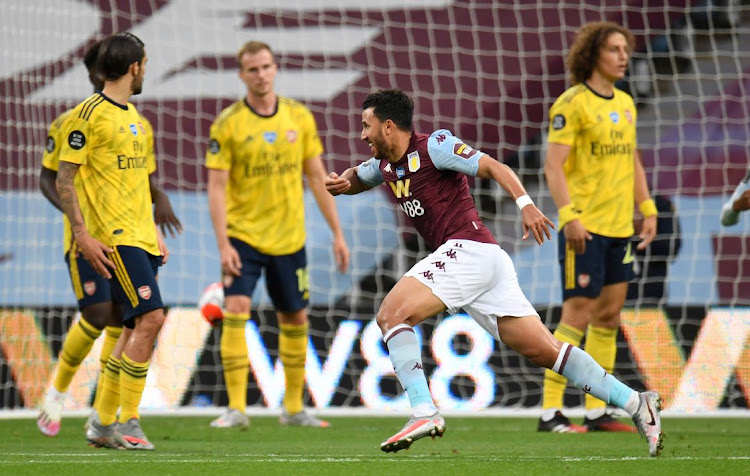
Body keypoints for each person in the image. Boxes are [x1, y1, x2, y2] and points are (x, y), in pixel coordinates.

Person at [325, 88, 664, 457]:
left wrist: (526, 205)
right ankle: (635, 403)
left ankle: (423, 411)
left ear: (388, 127)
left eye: (366, 126)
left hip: (469, 250)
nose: (362, 135)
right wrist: (342, 183)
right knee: (544, 350)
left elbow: (494, 167)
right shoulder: (387, 165)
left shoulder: (435, 146)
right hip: (484, 263)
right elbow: (358, 176)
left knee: (391, 314)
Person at [36, 39, 182, 440]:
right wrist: (80, 232)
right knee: (139, 317)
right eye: (146, 65)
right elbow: (60, 178)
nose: (146, 71)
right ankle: (122, 419)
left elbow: (139, 184)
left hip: (140, 237)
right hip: (109, 238)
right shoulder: (83, 117)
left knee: (125, 326)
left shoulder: (139, 120)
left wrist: (154, 230)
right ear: (135, 68)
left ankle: (102, 420)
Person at [205, 41, 350, 429]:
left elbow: (317, 178)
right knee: (235, 308)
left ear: (275, 68)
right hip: (244, 237)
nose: (261, 74)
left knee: (294, 316)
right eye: (253, 69)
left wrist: (337, 232)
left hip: (289, 238)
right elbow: (216, 187)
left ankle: (293, 407)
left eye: (266, 66)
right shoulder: (228, 124)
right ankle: (236, 409)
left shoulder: (298, 118)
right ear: (242, 75)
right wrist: (223, 244)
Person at [540, 21, 658, 434]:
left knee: (608, 317)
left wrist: (647, 207)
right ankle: (550, 411)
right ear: (593, 55)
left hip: (619, 227)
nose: (623, 56)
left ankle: (598, 410)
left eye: (626, 48)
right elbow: (552, 166)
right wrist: (568, 215)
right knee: (578, 314)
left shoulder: (626, 102)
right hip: (584, 227)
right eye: (614, 49)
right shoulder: (571, 103)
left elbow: (632, 160)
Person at [626, 195, 681, 305]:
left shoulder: (661, 204)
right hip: (613, 297)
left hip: (652, 298)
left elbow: (671, 249)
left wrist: (641, 230)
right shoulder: (611, 203)